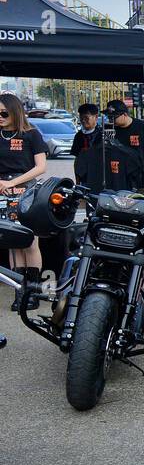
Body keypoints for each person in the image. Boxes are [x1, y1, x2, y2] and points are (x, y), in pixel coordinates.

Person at [0, 94, 48, 309]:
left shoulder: (32, 134)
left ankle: (34, 293)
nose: (0, 117)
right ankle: (20, 292)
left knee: (29, 241)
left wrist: (14, 182)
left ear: (14, 111)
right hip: (3, 191)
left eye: (3, 113)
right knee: (12, 244)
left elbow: (40, 167)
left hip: (26, 190)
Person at [103, 99, 144, 190]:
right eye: (109, 117)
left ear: (125, 115)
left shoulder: (143, 127)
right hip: (118, 180)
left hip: (142, 179)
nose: (111, 120)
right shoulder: (110, 130)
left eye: (114, 117)